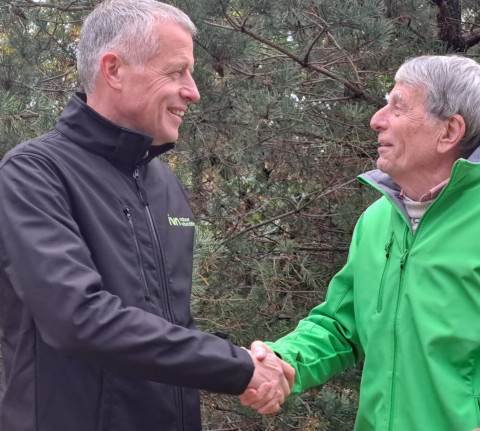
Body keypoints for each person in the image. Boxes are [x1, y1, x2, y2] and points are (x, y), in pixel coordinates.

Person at [0, 1, 293, 430]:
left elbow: (171, 326)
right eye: (176, 72)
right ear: (113, 69)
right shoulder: (34, 173)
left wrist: (248, 367)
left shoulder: (164, 185)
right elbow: (78, 319)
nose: (192, 91)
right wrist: (237, 367)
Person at [240, 55, 480, 430]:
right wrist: (284, 360)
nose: (376, 119)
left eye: (397, 106)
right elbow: (340, 325)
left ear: (449, 132)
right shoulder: (376, 220)